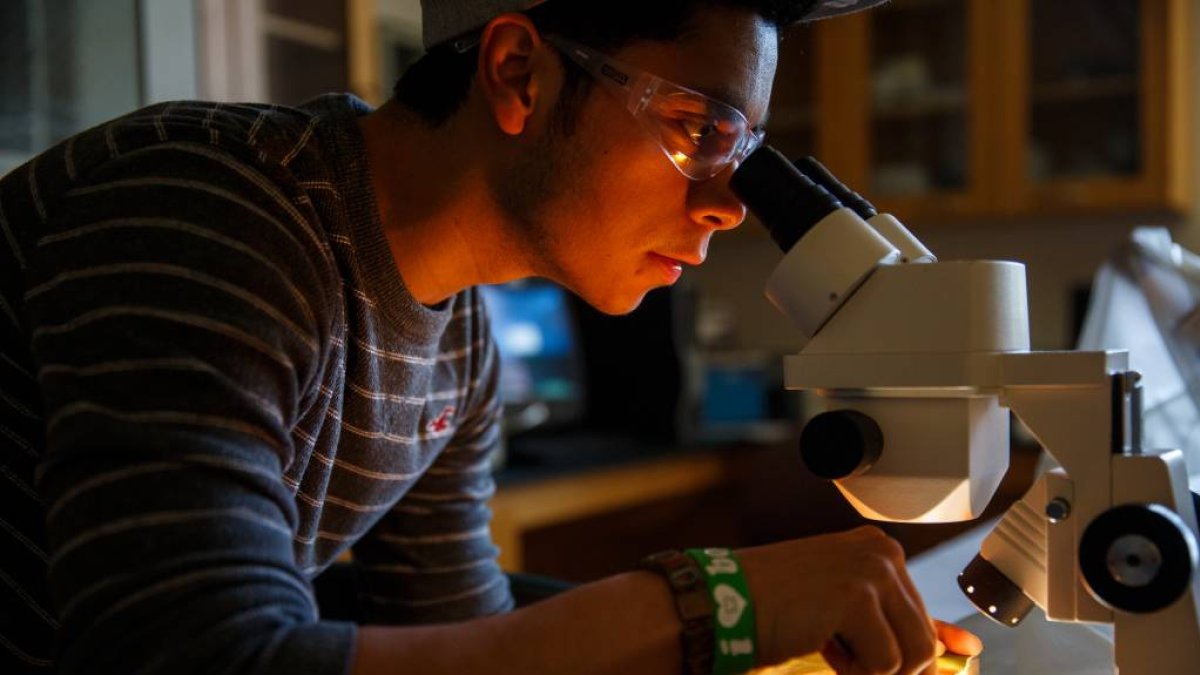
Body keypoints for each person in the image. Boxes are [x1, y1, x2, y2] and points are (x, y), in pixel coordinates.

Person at [0, 0, 982, 673]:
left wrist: (772, 651)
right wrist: (717, 611)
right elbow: (200, 659)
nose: (729, 206)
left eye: (749, 155)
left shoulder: (456, 335)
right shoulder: (212, 217)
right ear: (518, 72)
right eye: (701, 129)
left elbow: (459, 638)